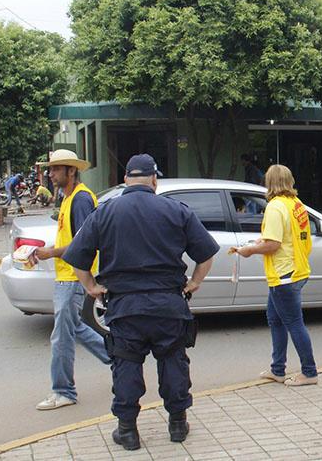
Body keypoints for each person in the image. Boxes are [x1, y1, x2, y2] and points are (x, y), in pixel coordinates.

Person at [62, 154, 219, 450]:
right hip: (168, 305)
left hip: (124, 308)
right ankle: (177, 424)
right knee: (173, 360)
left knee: (127, 365)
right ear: (154, 180)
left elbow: (77, 258)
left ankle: (128, 431)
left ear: (125, 180)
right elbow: (206, 254)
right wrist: (194, 283)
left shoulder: (105, 212)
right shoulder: (176, 210)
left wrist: (92, 286)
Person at [30, 149, 110, 411]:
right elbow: (72, 240)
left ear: (71, 171)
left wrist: (50, 252)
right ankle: (120, 360)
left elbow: (84, 244)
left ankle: (64, 391)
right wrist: (42, 253)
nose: (51, 174)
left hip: (73, 278)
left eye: (56, 169)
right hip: (67, 275)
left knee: (61, 336)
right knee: (75, 328)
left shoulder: (81, 200)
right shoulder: (67, 199)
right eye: (50, 169)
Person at [233, 165, 319, 386]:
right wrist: (259, 243)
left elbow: (273, 244)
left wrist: (250, 250)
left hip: (284, 274)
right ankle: (277, 369)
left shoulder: (274, 207)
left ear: (269, 182)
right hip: (297, 268)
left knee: (293, 322)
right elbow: (288, 237)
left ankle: (309, 372)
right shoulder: (296, 204)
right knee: (275, 319)